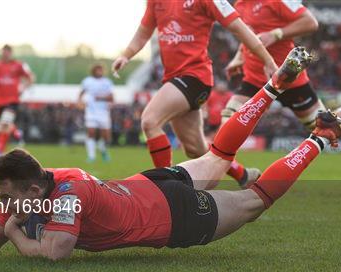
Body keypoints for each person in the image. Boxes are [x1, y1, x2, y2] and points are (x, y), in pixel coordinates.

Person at [0, 48, 341, 261]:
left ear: (31, 187)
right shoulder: (38, 186)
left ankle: (319, 136)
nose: (3, 207)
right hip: (147, 183)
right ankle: (275, 83)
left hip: (173, 214)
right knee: (219, 155)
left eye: (6, 198)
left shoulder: (64, 196)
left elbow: (56, 252)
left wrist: (20, 235)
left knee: (257, 198)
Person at [111, 0, 277, 188]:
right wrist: (126, 55)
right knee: (196, 149)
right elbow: (143, 34)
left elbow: (240, 29)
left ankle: (168, 190)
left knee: (150, 121)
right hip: (175, 79)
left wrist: (268, 60)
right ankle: (243, 175)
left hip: (195, 77)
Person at [223, 0, 321, 130]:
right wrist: (238, 58)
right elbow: (248, 35)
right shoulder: (239, 5)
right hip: (254, 78)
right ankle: (219, 151)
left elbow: (311, 23)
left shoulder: (277, 1)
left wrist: (276, 34)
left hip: (288, 76)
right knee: (229, 119)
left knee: (320, 126)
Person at [0, 45, 34, 157]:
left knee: (4, 124)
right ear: (1, 53)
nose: (5, 54)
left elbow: (30, 77)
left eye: (7, 52)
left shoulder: (18, 65)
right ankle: (17, 133)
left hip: (13, 100)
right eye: (4, 52)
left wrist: (24, 87)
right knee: (1, 128)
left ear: (11, 53)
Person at [77, 64, 114, 162]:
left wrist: (100, 98)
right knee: (91, 133)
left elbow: (111, 97)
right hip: (91, 111)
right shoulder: (87, 81)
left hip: (103, 112)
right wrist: (80, 102)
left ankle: (103, 150)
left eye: (101, 70)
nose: (99, 72)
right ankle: (91, 156)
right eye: (98, 70)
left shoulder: (107, 82)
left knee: (106, 136)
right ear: (93, 71)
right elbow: (81, 93)